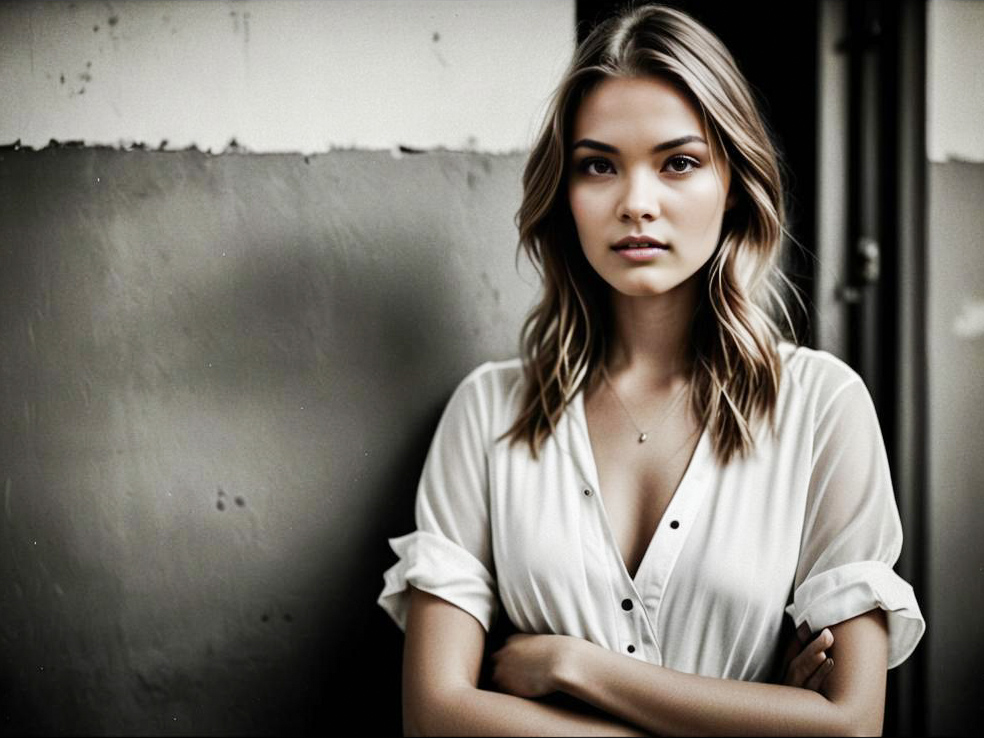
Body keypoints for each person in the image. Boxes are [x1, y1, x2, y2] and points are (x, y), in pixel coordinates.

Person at [378, 4, 925, 735]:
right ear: (565, 192)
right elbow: (436, 715)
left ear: (733, 183)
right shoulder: (488, 413)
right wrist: (758, 718)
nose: (637, 203)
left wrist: (574, 667)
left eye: (679, 162)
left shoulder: (822, 408)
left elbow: (853, 724)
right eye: (599, 165)